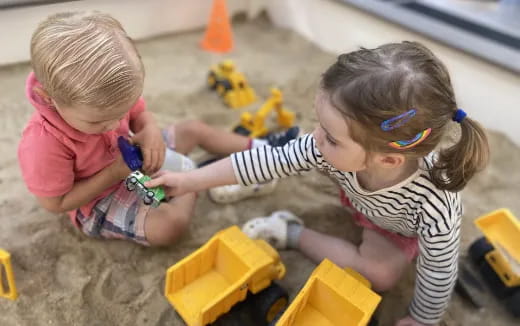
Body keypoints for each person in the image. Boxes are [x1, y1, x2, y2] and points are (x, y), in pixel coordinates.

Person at [145, 42, 490, 325]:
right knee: (283, 152)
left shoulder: (435, 204)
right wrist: (189, 180)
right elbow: (262, 162)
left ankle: (290, 231)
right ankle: (206, 137)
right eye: (319, 124)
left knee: (381, 276)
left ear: (388, 159)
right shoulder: (328, 149)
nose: (317, 138)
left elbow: (439, 270)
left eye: (331, 137)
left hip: (393, 227)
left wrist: (422, 320)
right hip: (356, 194)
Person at [17, 11, 298, 247]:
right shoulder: (43, 144)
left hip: (137, 157)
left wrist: (149, 129)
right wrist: (114, 173)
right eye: (98, 122)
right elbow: (56, 202)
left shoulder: (107, 96)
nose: (116, 125)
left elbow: (140, 113)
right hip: (101, 198)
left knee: (193, 129)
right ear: (47, 98)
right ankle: (195, 180)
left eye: (120, 113)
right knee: (170, 227)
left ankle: (266, 150)